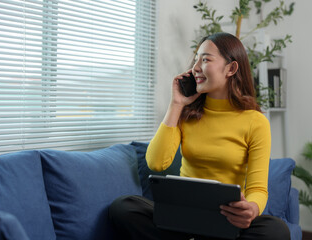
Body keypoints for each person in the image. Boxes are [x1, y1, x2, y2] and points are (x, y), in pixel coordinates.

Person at [109, 32, 291, 240]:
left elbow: (258, 188)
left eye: (205, 59)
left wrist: (251, 208)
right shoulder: (185, 113)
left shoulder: (255, 122)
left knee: (276, 231)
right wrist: (176, 104)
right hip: (182, 217)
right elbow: (156, 162)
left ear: (231, 68)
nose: (195, 67)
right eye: (196, 59)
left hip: (226, 219)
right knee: (124, 207)